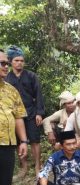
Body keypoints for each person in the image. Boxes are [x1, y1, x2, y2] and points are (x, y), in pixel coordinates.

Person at [6, 45, 45, 176]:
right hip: (14, 114)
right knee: (18, 141)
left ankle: (38, 166)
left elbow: (38, 94)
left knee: (35, 140)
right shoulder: (6, 78)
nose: (19, 63)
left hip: (31, 112)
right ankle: (24, 167)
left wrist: (39, 113)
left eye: (22, 61)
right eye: (16, 60)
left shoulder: (31, 76)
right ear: (10, 61)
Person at [0, 50, 28, 185]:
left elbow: (18, 116)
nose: (6, 66)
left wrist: (23, 140)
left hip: (7, 146)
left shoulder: (11, 90)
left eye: (6, 63)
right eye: (2, 63)